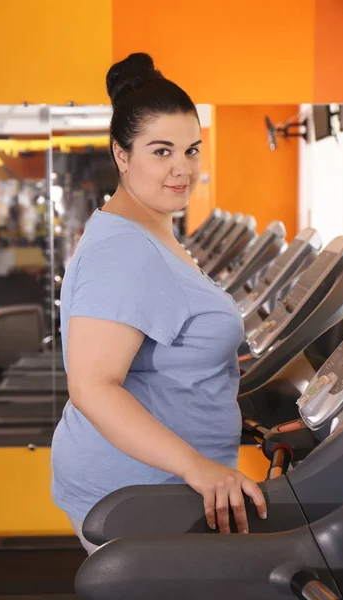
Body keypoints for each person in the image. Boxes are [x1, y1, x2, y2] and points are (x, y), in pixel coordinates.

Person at [51, 52, 267, 554]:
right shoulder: (124, 250)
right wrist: (200, 468)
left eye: (192, 150)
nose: (182, 169)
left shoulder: (150, 231)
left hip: (160, 484)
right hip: (143, 492)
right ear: (122, 156)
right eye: (161, 151)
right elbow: (91, 387)